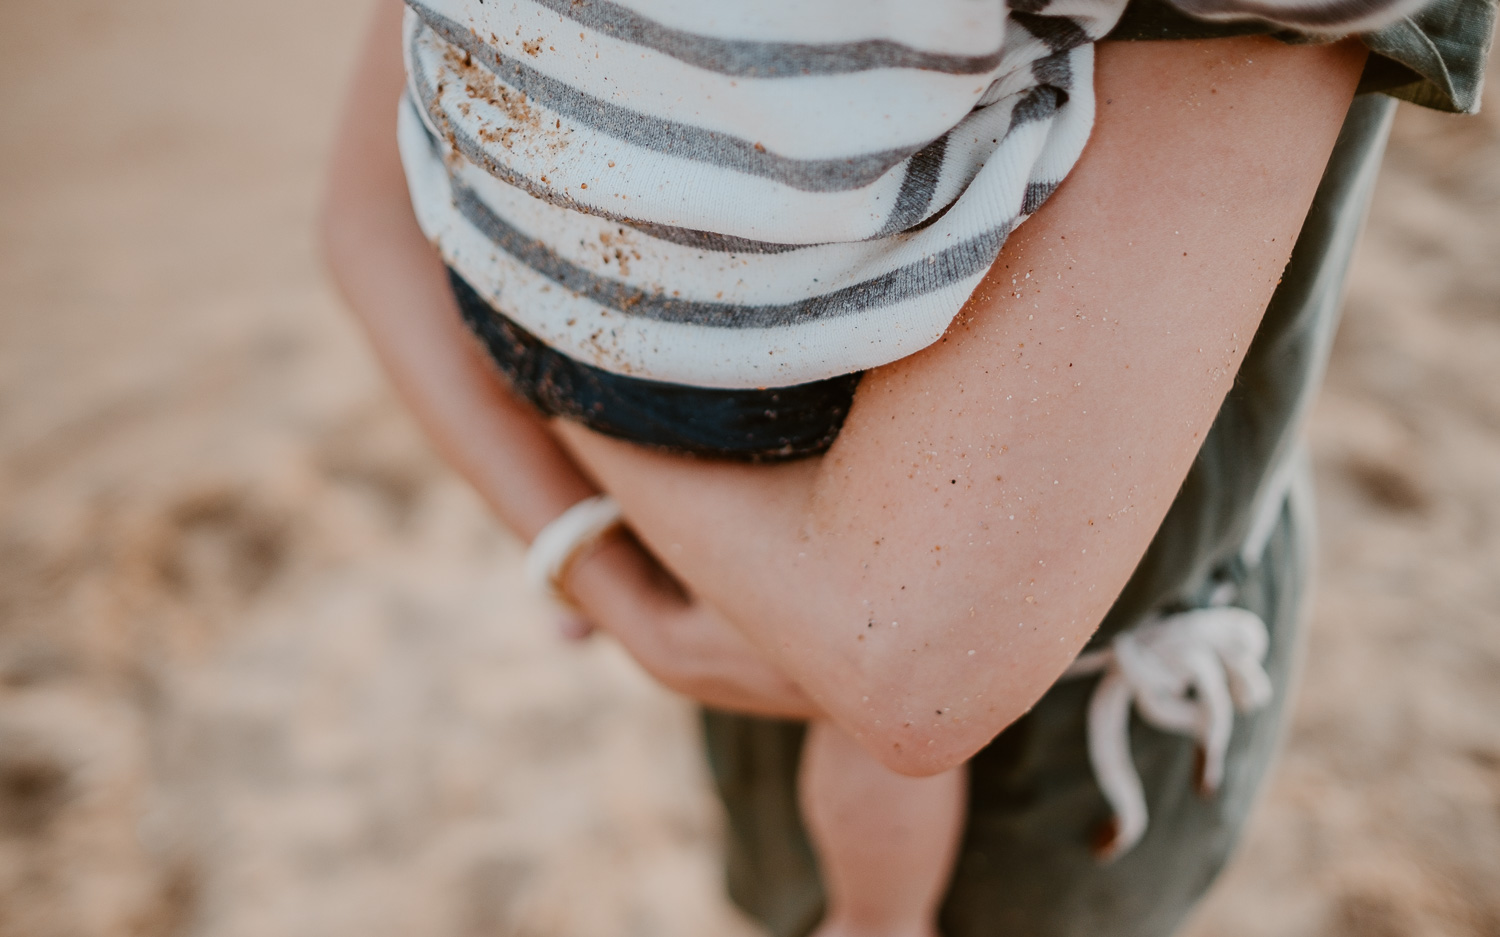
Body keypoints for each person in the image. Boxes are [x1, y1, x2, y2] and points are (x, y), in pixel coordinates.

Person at [321, 1, 1494, 934]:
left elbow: (375, 209)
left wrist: (560, 431)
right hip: (844, 571)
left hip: (553, 330)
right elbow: (903, 673)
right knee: (858, 821)